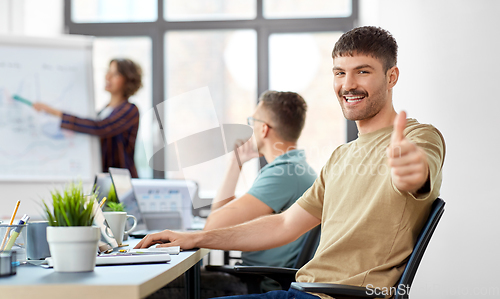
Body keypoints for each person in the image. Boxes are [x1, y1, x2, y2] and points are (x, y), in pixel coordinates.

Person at [135, 26, 446, 299]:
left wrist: (412, 174)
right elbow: (285, 224)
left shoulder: (419, 138)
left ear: (391, 77)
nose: (348, 84)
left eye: (362, 71)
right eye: (339, 72)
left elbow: (419, 170)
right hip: (300, 291)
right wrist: (194, 238)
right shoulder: (341, 156)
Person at [149, 91, 317, 298]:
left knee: (153, 287)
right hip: (254, 278)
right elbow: (218, 217)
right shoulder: (293, 169)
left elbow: (213, 225)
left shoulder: (283, 174)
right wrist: (236, 163)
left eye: (252, 121)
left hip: (255, 283)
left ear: (263, 129)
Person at [32, 58, 142, 178]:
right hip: (102, 177)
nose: (108, 77)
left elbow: (100, 128)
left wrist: (55, 112)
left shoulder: (130, 110)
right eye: (108, 72)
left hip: (121, 179)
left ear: (128, 80)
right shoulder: (102, 111)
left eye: (115, 74)